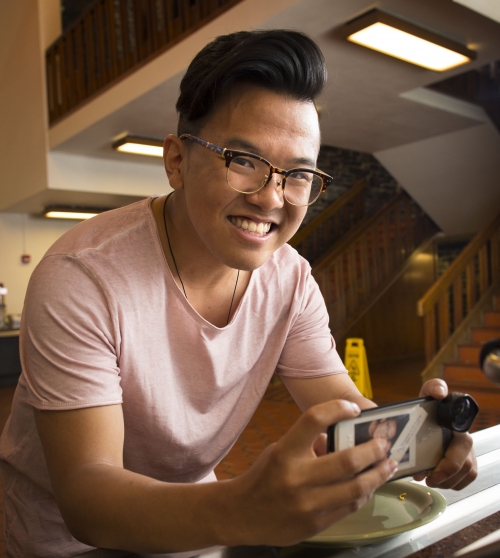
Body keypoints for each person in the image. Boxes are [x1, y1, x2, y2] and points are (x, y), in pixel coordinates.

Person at [0, 29, 476, 558]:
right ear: (177, 161)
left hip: (199, 521)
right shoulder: (82, 276)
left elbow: (342, 410)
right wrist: (243, 511)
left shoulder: (290, 279)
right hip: (64, 542)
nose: (272, 198)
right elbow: (88, 495)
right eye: (243, 161)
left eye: (297, 174)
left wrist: (414, 442)